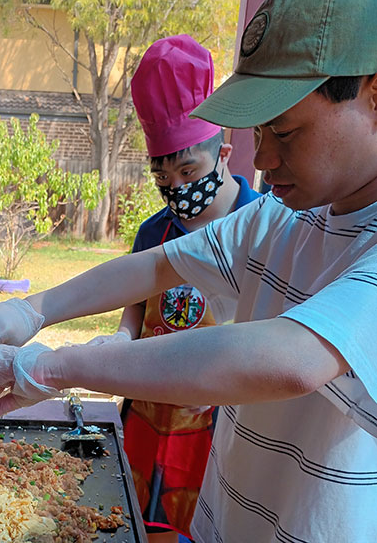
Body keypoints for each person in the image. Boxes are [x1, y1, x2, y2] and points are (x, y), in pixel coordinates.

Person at [0, 0, 377, 540]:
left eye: (285, 131)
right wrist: (32, 309)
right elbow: (158, 265)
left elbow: (290, 359)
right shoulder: (282, 216)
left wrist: (57, 368)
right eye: (260, 131)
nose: (264, 157)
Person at [103, 35, 261, 543]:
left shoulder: (259, 224)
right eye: (162, 177)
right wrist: (123, 340)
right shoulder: (154, 233)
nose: (176, 186)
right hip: (147, 416)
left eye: (188, 170)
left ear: (224, 154)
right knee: (138, 523)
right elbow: (135, 307)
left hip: (220, 425)